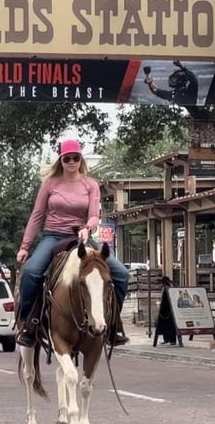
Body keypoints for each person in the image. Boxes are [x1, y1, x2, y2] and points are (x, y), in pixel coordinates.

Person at [15, 138, 129, 347]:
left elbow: (94, 215)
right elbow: (37, 216)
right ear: (61, 160)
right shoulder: (50, 184)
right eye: (67, 158)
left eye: (76, 158)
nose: (72, 162)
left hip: (81, 237)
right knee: (31, 272)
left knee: (121, 274)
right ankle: (28, 324)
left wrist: (88, 228)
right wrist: (25, 247)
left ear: (80, 159)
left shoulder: (90, 184)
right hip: (53, 236)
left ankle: (113, 324)